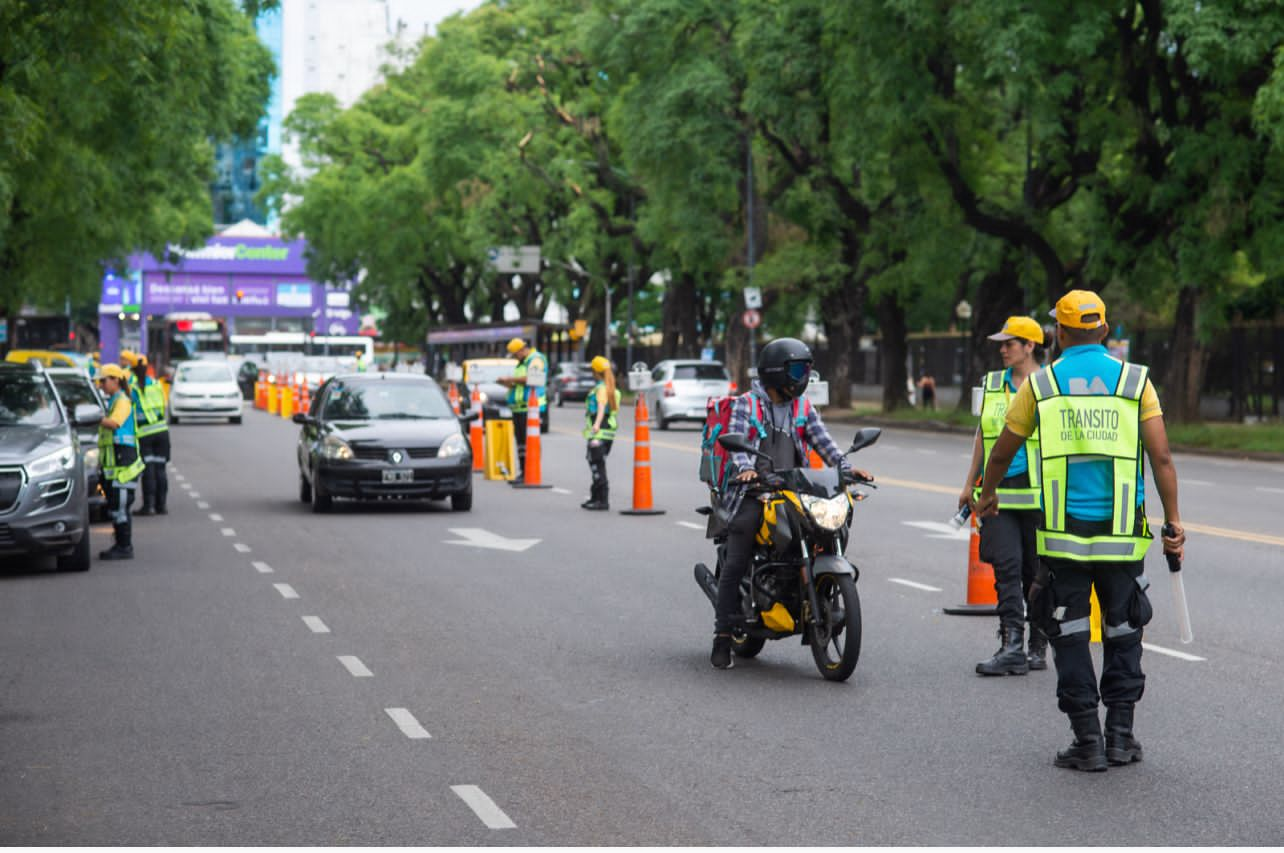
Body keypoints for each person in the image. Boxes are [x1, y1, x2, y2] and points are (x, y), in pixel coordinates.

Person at [977, 290, 1185, 772]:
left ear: (1059, 334)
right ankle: (1120, 736)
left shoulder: (1042, 385)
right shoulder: (1136, 382)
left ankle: (1087, 741)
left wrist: (988, 493)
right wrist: (1174, 521)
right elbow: (1162, 458)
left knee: (1069, 631)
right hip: (1122, 533)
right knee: (1124, 628)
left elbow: (1003, 452)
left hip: (1062, 537)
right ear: (1106, 331)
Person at [711, 337, 872, 670]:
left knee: (827, 530)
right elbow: (737, 447)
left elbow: (824, 442)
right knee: (738, 554)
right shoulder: (746, 404)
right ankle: (722, 636)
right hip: (753, 491)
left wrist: (845, 468)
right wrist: (747, 472)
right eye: (798, 369)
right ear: (776, 373)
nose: (804, 376)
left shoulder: (803, 407)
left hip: (795, 487)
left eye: (807, 369)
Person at [960, 316, 1047, 675]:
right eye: (1002, 343)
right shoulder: (992, 384)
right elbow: (983, 434)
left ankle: (1038, 644)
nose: (1003, 349)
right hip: (997, 493)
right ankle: (1011, 643)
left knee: (1036, 573)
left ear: (1030, 346)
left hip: (1040, 495)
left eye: (1010, 343)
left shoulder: (1050, 383)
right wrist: (969, 483)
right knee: (1006, 568)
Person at [95, 364, 145, 560]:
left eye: (104, 380)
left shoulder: (122, 401)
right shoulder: (114, 400)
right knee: (117, 507)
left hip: (125, 465)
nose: (101, 384)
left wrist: (96, 418)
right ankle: (120, 544)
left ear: (115, 380)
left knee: (121, 507)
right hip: (117, 465)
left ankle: (124, 546)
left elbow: (114, 423)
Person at [497, 337, 547, 484]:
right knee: (521, 443)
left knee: (529, 441)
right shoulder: (521, 363)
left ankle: (531, 471)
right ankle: (524, 472)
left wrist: (510, 378)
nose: (514, 357)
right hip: (519, 407)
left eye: (515, 354)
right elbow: (519, 385)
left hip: (531, 408)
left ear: (521, 349)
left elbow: (533, 378)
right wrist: (506, 383)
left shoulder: (536, 359)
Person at [131, 356, 170, 516]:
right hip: (162, 432)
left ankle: (149, 506)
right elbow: (164, 405)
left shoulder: (132, 388)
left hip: (144, 433)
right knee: (161, 470)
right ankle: (162, 506)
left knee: (148, 471)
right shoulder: (156, 384)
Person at [580, 356, 621, 511]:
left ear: (595, 372)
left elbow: (601, 407)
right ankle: (596, 497)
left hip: (599, 433)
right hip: (607, 433)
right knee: (596, 463)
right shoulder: (610, 387)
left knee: (597, 465)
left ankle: (602, 500)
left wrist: (596, 425)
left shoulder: (602, 388)